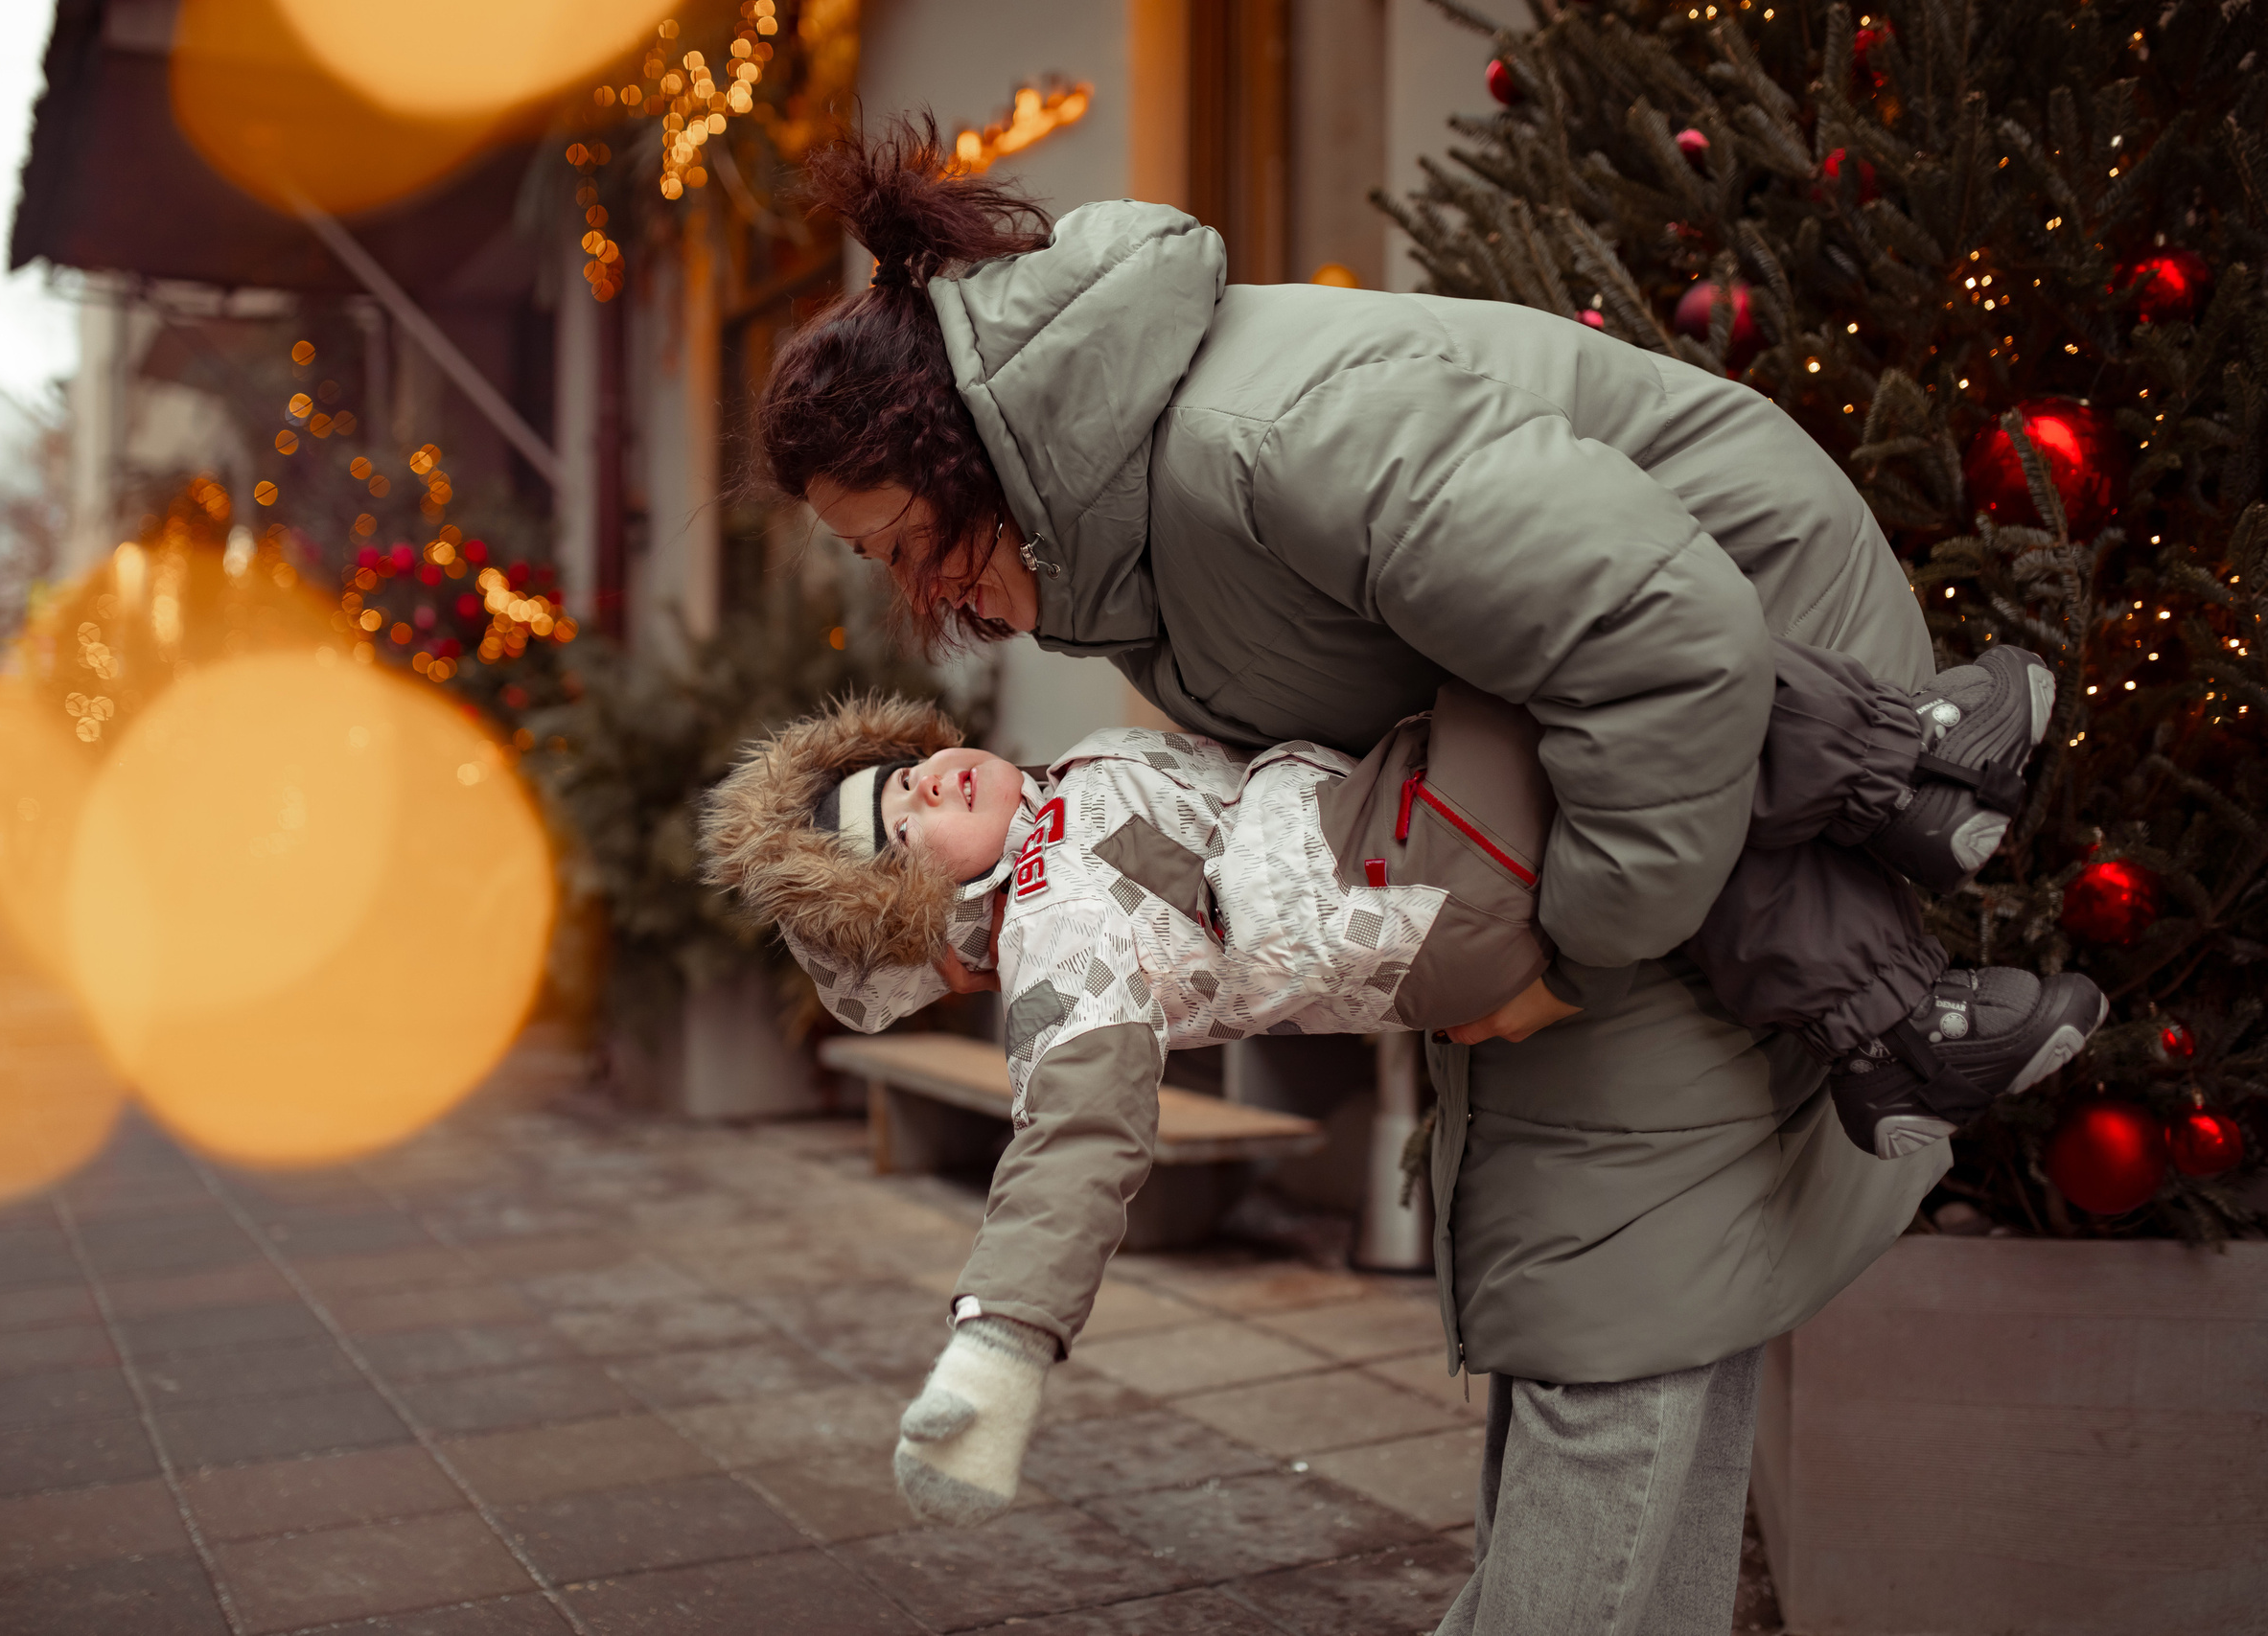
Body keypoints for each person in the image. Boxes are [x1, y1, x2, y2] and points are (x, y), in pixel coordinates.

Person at [748, 115, 1991, 1633]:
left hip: (1744, 708)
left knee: (1617, 1275)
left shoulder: (1257, 439)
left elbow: (1660, 639)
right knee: (1601, 1263)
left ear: (964, 457)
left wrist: (1569, 955)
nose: (910, 594)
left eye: (898, 543)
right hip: (1587, 760)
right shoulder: (1115, 527)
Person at [699, 642, 2100, 1526]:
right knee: (1580, 660)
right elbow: (1073, 1135)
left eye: (900, 770)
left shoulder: (1064, 791)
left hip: (1405, 860)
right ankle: (1905, 749)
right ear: (925, 927)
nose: (924, 782)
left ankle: (1904, 1026)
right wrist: (998, 1349)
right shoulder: (1059, 931)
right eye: (897, 828)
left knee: (1681, 841)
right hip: (1406, 876)